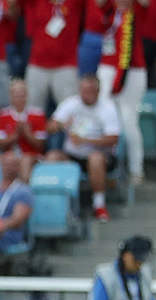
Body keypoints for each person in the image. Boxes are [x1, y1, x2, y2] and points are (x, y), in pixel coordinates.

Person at [48, 75, 120, 221]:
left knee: (95, 159)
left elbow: (113, 139)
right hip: (72, 155)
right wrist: (61, 125)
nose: (86, 94)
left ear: (98, 91)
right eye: (84, 90)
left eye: (90, 91)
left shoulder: (108, 107)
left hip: (99, 155)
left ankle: (99, 205)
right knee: (52, 157)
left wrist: (86, 141)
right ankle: (56, 206)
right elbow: (49, 127)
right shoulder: (70, 103)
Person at [97, 0, 148, 185]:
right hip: (108, 67)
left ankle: (136, 170)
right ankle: (107, 167)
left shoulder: (135, 13)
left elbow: (145, 3)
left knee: (128, 121)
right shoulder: (110, 11)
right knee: (103, 119)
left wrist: (118, 83)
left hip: (131, 71)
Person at [22, 0, 83, 114]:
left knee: (71, 110)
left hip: (66, 65)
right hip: (37, 63)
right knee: (31, 110)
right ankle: (35, 132)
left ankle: (73, 133)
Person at [0, 150, 35, 263]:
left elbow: (17, 220)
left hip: (8, 234)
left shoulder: (23, 191)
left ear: (18, 167)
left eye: (13, 165)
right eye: (6, 164)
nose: (8, 168)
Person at [0, 79, 48, 180]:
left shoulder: (37, 114)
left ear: (27, 96)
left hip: (32, 156)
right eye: (16, 95)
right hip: (9, 155)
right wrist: (15, 135)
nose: (19, 99)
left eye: (22, 95)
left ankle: (23, 190)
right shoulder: (3, 114)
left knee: (25, 160)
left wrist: (28, 133)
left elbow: (41, 145)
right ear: (11, 97)